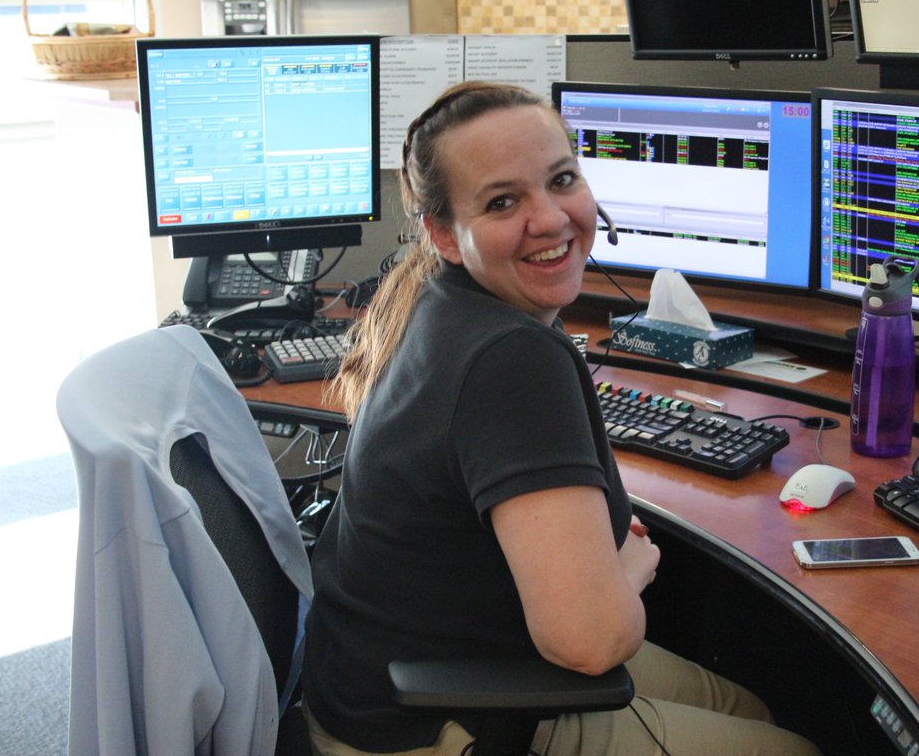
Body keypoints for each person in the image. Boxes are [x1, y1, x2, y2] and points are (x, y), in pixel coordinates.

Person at [301, 81, 821, 756]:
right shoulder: (512, 358)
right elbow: (589, 641)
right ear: (442, 233)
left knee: (745, 705)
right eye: (502, 201)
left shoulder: (435, 299)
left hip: (370, 682)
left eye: (562, 179)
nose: (549, 219)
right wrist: (626, 569)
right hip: (432, 724)